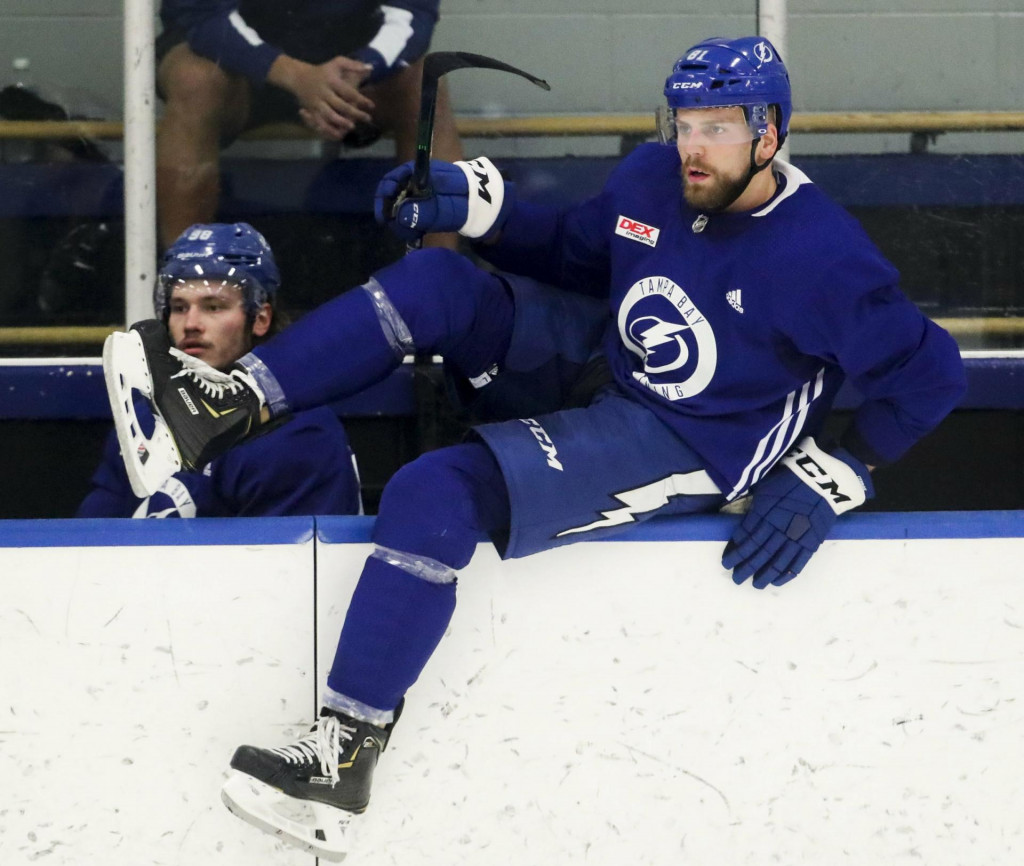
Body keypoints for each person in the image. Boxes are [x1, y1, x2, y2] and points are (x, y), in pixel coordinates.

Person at [102, 37, 967, 859]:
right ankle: (223, 404)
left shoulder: (824, 258)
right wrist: (483, 209)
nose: (691, 147)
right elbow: (576, 257)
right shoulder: (655, 177)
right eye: (684, 124)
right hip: (604, 360)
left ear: (769, 132)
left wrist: (838, 470)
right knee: (442, 280)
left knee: (434, 491)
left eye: (717, 128)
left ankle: (346, 750)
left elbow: (932, 375)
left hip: (688, 437)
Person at [81, 222, 361, 518]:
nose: (191, 324)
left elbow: (280, 563)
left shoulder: (299, 435)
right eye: (179, 307)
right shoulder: (143, 416)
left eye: (213, 307)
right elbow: (89, 539)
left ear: (260, 318)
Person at [155, 0, 463, 250]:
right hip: (238, 73)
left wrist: (363, 67)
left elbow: (413, 12)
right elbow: (200, 15)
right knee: (194, 81)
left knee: (425, 82)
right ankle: (182, 286)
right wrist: (294, 75)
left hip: (351, 76)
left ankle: (440, 283)